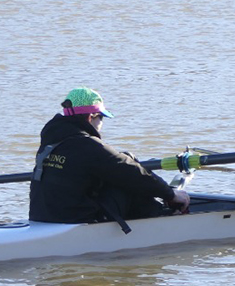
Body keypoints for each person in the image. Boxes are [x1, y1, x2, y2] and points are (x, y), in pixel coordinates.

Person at [29, 88, 189, 231]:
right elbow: (130, 171)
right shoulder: (88, 145)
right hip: (74, 220)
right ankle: (164, 221)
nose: (101, 124)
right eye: (101, 118)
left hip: (41, 217)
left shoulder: (51, 140)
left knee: (120, 168)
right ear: (91, 117)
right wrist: (170, 194)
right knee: (129, 171)